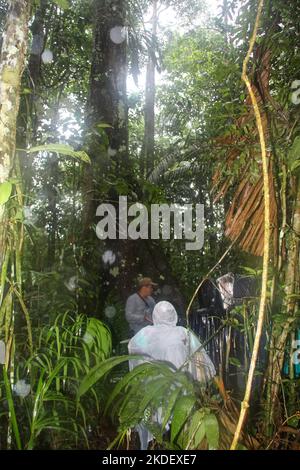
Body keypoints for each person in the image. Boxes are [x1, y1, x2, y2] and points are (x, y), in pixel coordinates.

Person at [128, 300, 216, 450]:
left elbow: (132, 347)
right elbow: (201, 358)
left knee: (157, 425)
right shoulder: (183, 333)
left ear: (155, 315)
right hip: (180, 390)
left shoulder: (146, 333)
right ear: (173, 315)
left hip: (154, 392)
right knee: (179, 425)